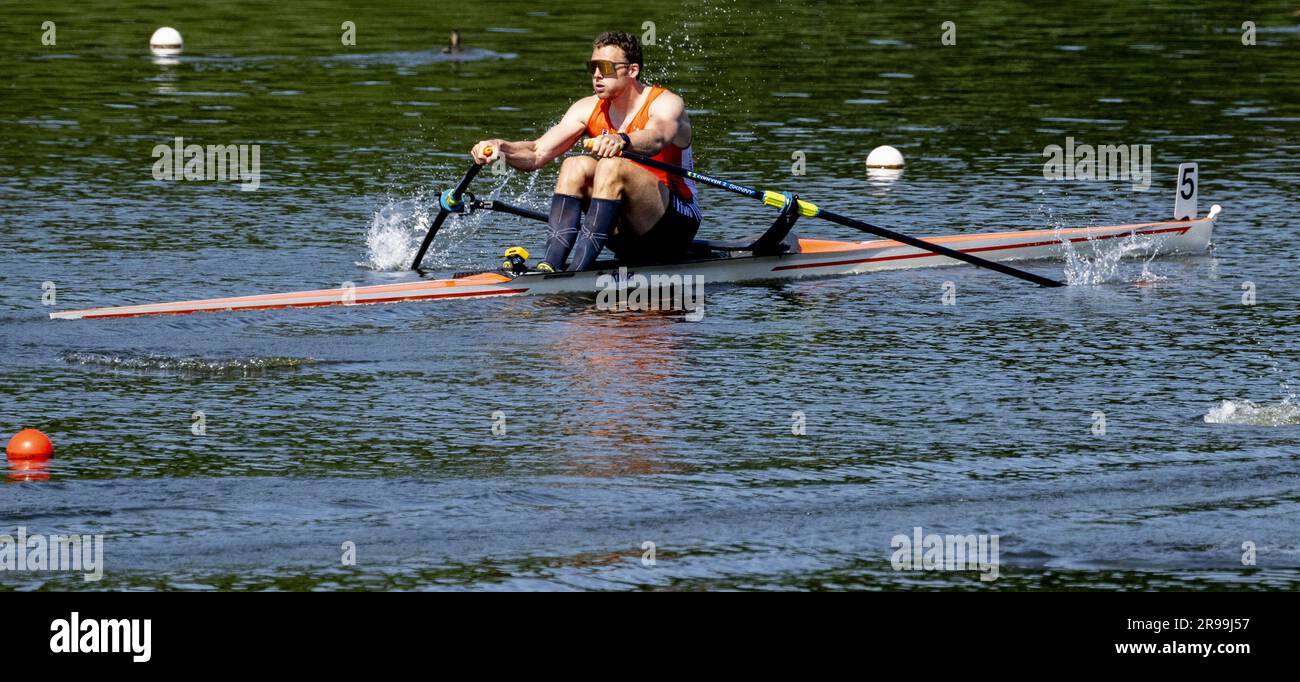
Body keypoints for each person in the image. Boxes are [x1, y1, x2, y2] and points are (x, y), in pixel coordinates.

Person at [470, 31, 700, 272]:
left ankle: (578, 273)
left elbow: (658, 137)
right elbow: (537, 153)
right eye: (593, 67)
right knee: (575, 164)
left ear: (632, 71)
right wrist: (501, 147)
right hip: (623, 232)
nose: (597, 75)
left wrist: (622, 139)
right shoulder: (587, 108)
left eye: (606, 68)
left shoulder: (666, 103)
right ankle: (551, 265)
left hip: (673, 226)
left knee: (612, 166)